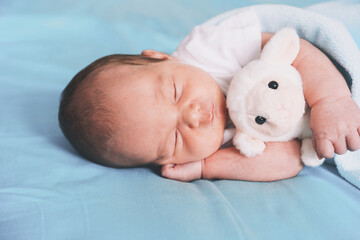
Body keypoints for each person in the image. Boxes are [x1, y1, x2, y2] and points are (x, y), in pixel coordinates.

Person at [58, 9, 360, 182]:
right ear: (167, 160)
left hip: (329, 78)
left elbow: (295, 49)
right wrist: (208, 167)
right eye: (174, 138)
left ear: (163, 58)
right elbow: (292, 160)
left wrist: (331, 101)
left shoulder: (207, 49)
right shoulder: (208, 151)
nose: (192, 116)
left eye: (175, 93)